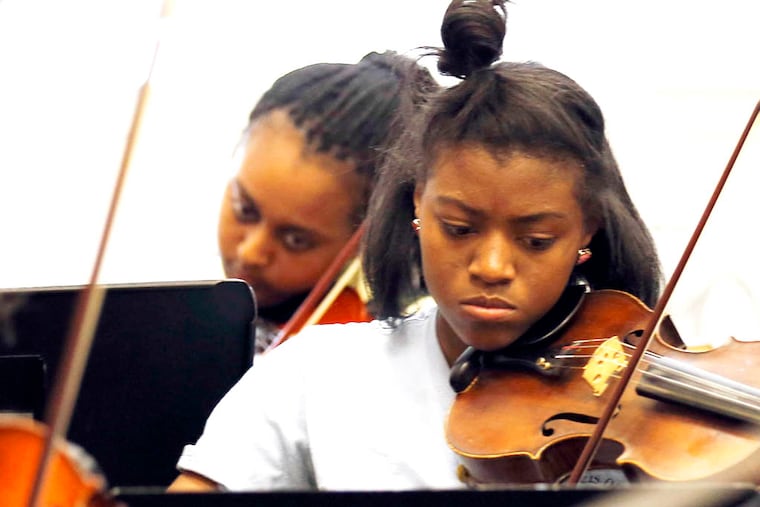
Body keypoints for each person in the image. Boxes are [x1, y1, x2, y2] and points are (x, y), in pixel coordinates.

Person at [168, 0, 663, 492]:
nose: (492, 267)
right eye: (459, 228)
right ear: (417, 207)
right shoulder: (311, 375)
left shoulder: (643, 411)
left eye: (536, 240)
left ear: (587, 231)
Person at [219, 50, 436, 354]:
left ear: (367, 239)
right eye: (245, 210)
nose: (251, 252)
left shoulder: (342, 355)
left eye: (295, 239)